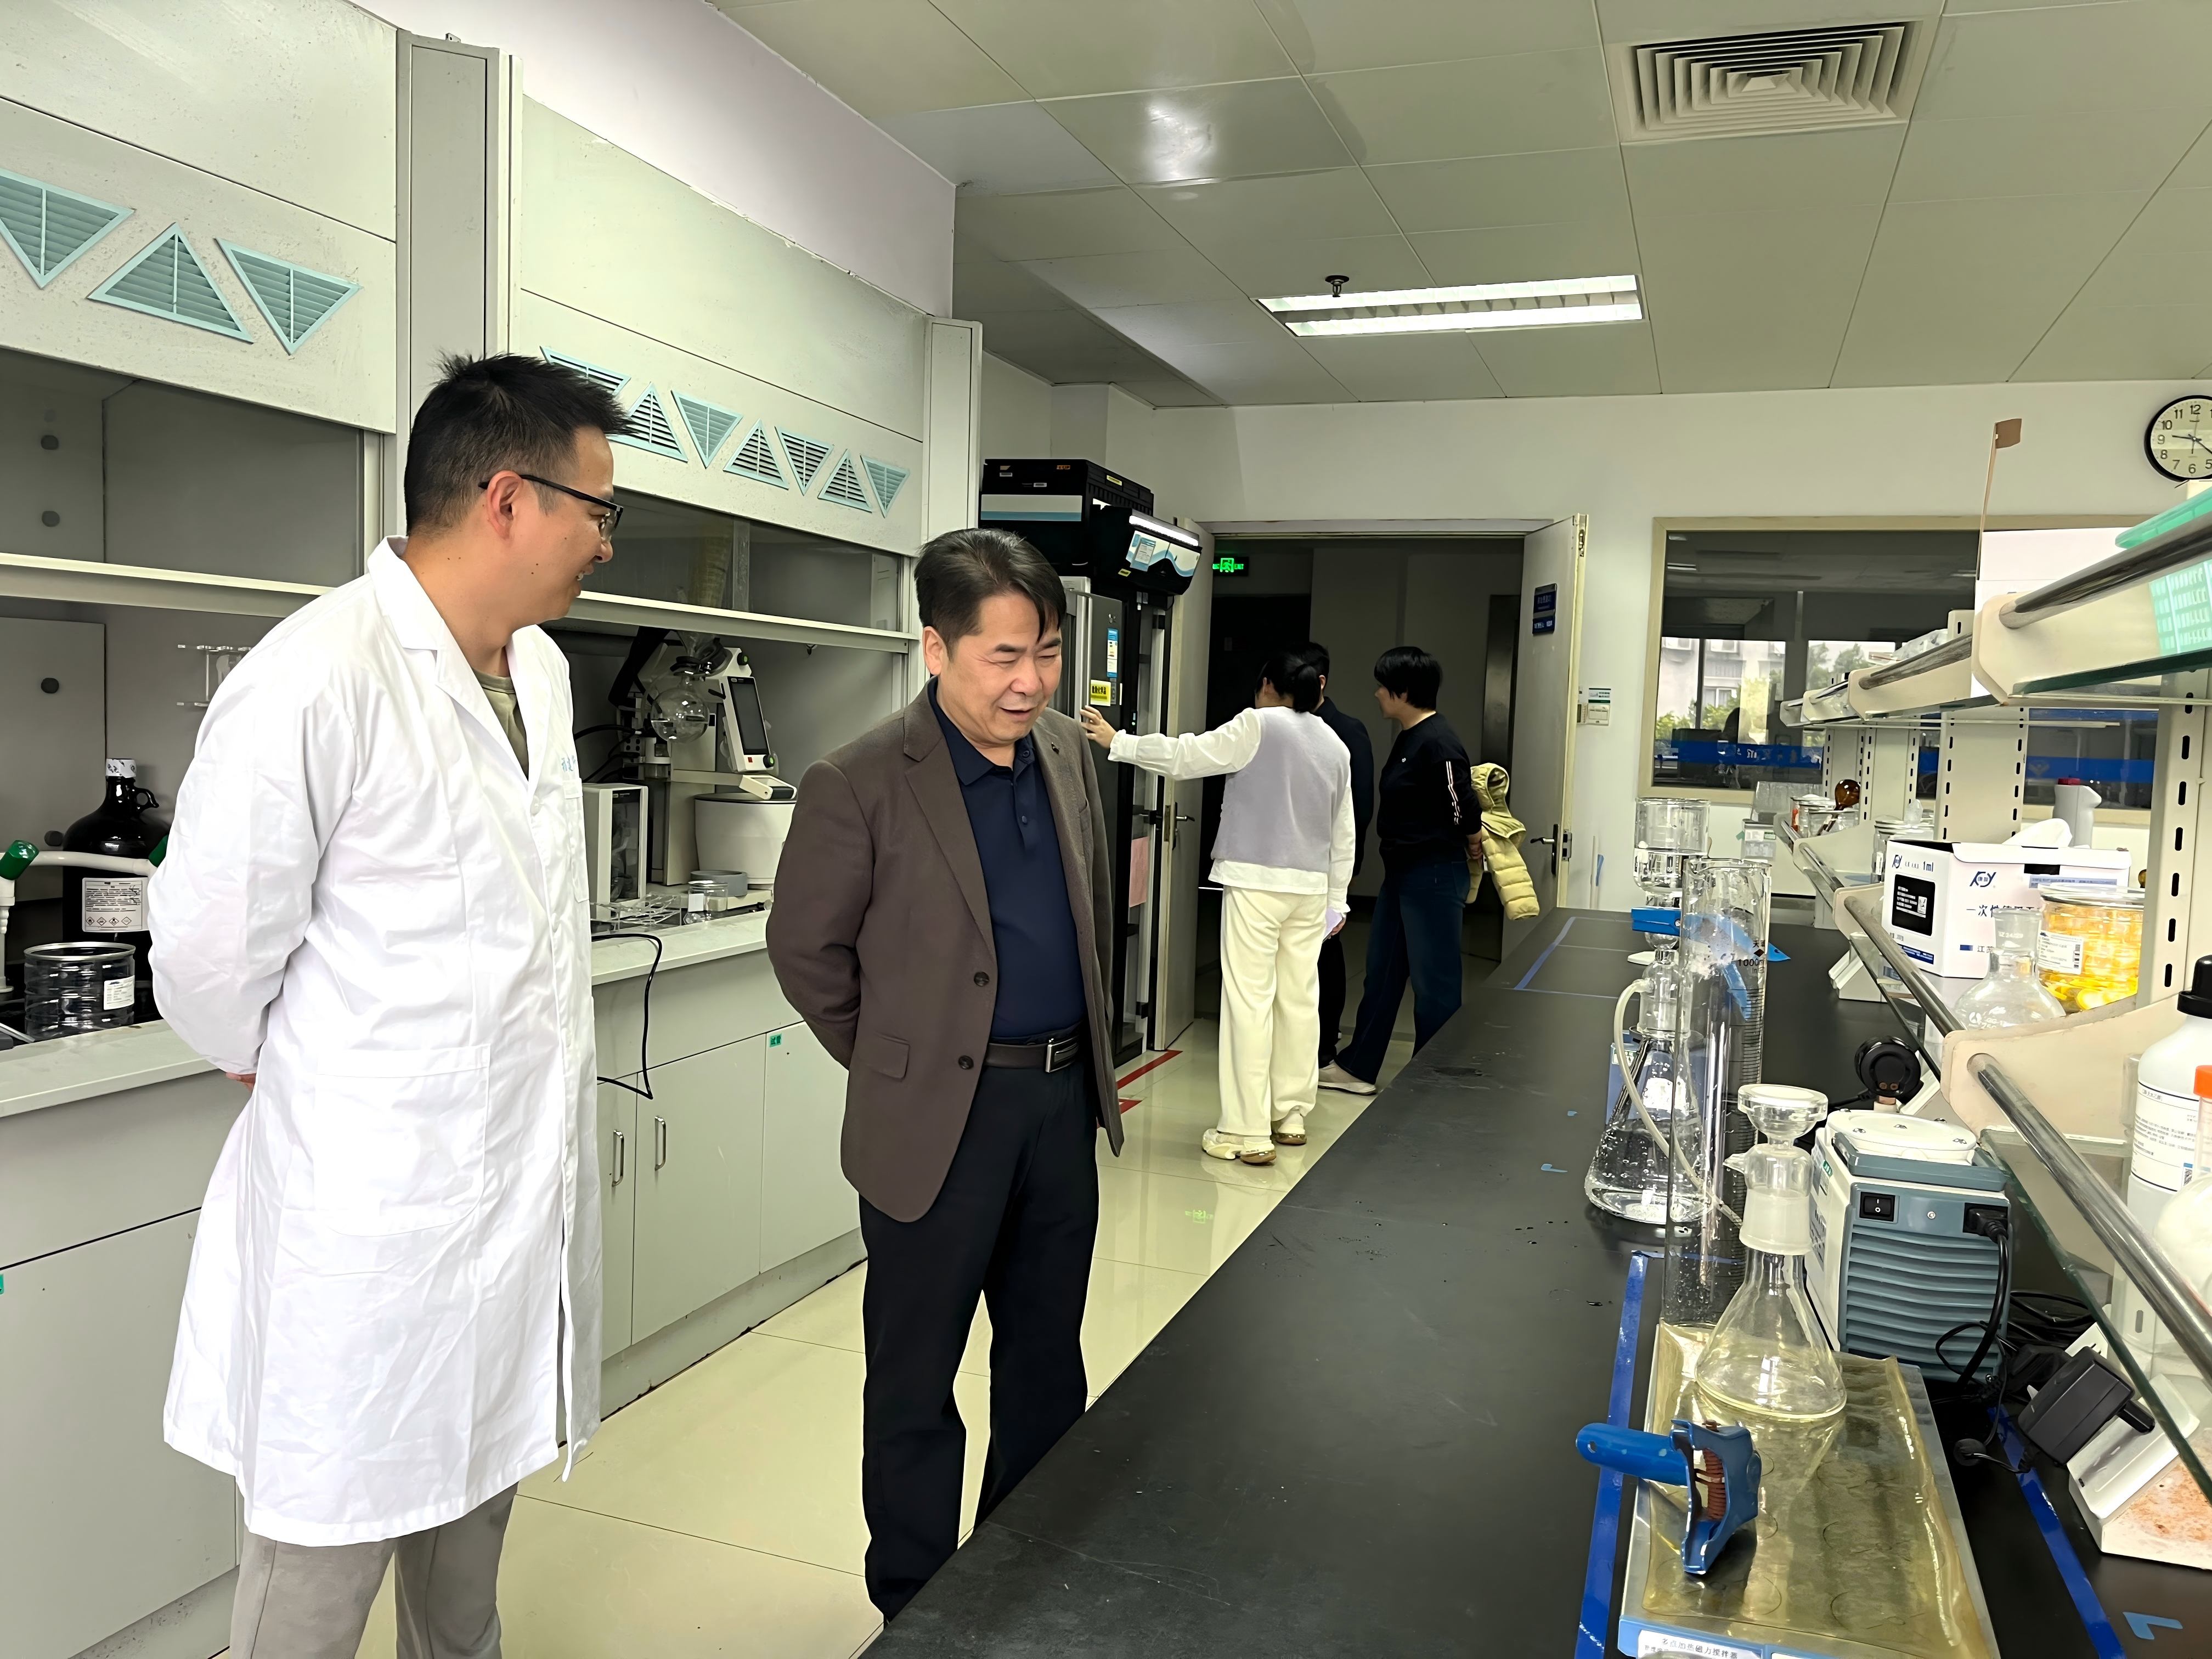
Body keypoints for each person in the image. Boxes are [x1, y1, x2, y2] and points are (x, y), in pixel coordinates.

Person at [149, 353, 627, 1658]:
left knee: (466, 1584)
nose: (604, 541)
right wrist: (269, 1056)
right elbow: (205, 954)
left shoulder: (539, 675)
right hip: (368, 1236)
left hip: (513, 1217)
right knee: (315, 1586)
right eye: (597, 509)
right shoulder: (318, 675)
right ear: (509, 500)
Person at [768, 527, 1118, 1621]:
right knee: (916, 1375)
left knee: (1046, 1363)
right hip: (939, 1120)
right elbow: (805, 948)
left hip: (1059, 1102)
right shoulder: (861, 779)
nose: (1030, 681)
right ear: (935, 647)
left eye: (1046, 652)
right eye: (1003, 656)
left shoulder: (1065, 753)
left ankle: (1023, 1576)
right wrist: (900, 1063)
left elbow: (1088, 907)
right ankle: (914, 1603)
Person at [1081, 649, 1353, 1164]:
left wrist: (1119, 741)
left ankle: (1246, 1131)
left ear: (1268, 686)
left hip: (1255, 881)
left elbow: (1189, 756)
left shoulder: (1257, 725)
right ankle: (1291, 1114)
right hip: (1311, 888)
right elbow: (1345, 831)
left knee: (1249, 1000)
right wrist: (1337, 900)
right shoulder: (1334, 744)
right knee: (1299, 999)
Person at [1319, 646, 1481, 1096]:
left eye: (1383, 686)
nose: (1376, 693)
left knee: (1435, 984)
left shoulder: (1438, 741)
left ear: (1404, 692)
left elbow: (1461, 804)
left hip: (1433, 874)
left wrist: (1473, 839)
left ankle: (1433, 1080)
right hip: (1403, 875)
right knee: (1382, 973)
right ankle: (1359, 1067)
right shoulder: (1410, 736)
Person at [1294, 641, 1375, 1073]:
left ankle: (1325, 1043)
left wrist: (1348, 869)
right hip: (1289, 863)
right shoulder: (1282, 725)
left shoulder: (1346, 730)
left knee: (1326, 949)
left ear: (1320, 681)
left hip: (1327, 863)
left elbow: (1359, 807)